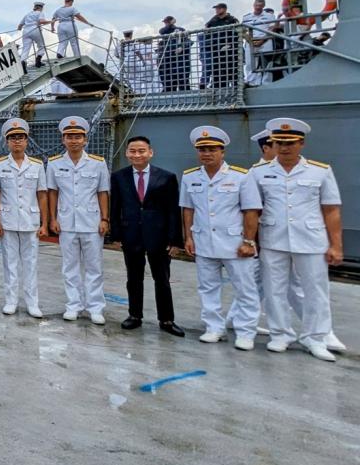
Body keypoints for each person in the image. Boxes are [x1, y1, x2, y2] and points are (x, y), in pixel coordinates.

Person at [242, 118, 343, 361]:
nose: (285, 147)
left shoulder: (320, 171)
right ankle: (280, 334)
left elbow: (331, 209)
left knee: (316, 290)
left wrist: (336, 245)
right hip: (273, 239)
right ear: (273, 144)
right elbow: (252, 210)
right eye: (279, 143)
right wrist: (249, 241)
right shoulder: (259, 172)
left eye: (290, 143)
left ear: (301, 143)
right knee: (274, 289)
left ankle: (315, 338)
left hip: (311, 239)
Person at [179, 126, 260, 350]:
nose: (207, 153)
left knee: (245, 288)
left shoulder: (241, 176)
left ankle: (245, 331)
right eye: (202, 149)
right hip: (204, 241)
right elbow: (187, 209)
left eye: (212, 149)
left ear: (222, 151)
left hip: (235, 243)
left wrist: (249, 241)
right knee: (207, 287)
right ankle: (213, 327)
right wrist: (188, 237)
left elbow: (251, 211)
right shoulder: (190, 177)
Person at [108, 137, 185, 337]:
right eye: (132, 151)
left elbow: (172, 211)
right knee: (133, 279)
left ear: (150, 152)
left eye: (141, 151)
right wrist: (115, 235)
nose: (137, 155)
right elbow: (115, 207)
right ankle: (135, 315)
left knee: (162, 279)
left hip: (158, 237)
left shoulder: (166, 177)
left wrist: (175, 240)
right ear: (127, 153)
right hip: (131, 235)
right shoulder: (119, 177)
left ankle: (167, 319)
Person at [46, 116, 110, 325]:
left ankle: (95, 307)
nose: (74, 140)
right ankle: (73, 305)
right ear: (63, 140)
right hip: (66, 222)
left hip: (92, 222)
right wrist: (52, 218)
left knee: (94, 267)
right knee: (70, 266)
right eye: (69, 137)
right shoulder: (55, 163)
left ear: (85, 140)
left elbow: (102, 192)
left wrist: (104, 218)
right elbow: (52, 192)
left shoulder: (98, 163)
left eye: (78, 136)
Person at [0, 119, 46, 318]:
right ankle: (11, 300)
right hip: (8, 220)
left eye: (20, 138)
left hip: (31, 220)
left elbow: (42, 194)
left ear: (27, 140)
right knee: (10, 263)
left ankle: (32, 303)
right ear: (7, 142)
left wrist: (45, 223)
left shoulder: (37, 165)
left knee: (30, 263)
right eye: (12, 138)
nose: (17, 142)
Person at [203, 3, 240, 88]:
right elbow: (206, 30)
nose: (217, 10)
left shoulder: (232, 19)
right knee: (217, 69)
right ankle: (219, 87)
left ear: (224, 9)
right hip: (217, 49)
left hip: (230, 49)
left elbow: (237, 33)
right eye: (216, 9)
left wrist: (230, 44)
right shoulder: (213, 20)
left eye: (219, 8)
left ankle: (235, 86)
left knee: (232, 68)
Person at [242, 0, 277, 86]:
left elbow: (272, 29)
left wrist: (262, 41)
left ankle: (266, 83)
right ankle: (252, 82)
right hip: (250, 42)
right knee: (250, 63)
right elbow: (242, 31)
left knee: (267, 63)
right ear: (253, 5)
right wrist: (250, 41)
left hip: (265, 41)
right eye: (256, 5)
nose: (258, 7)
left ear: (263, 6)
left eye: (260, 6)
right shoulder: (246, 17)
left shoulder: (269, 16)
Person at [157, 15, 192, 92]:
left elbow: (188, 42)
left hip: (180, 61)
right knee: (168, 84)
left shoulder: (180, 30)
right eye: (165, 22)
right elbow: (162, 31)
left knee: (183, 82)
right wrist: (170, 25)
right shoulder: (164, 31)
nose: (165, 24)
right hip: (168, 61)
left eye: (167, 22)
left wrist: (182, 47)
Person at [17, 2, 49, 70]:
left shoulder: (27, 14)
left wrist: (19, 29)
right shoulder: (40, 13)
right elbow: (41, 21)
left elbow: (19, 26)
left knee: (25, 48)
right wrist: (51, 22)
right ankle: (38, 61)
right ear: (40, 8)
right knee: (41, 46)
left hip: (26, 31)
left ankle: (23, 61)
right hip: (35, 29)